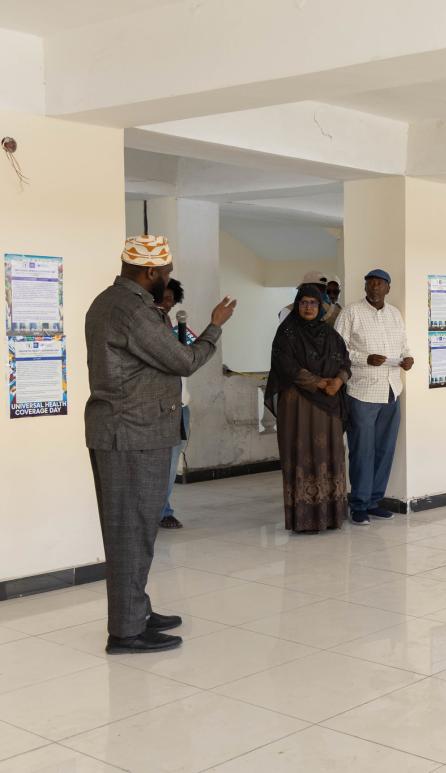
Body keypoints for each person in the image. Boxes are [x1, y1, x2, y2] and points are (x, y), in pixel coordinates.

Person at [86, 235, 235, 654]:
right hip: (132, 434)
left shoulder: (108, 302)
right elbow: (183, 360)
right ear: (150, 272)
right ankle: (126, 632)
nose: (167, 279)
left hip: (126, 431)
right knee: (130, 533)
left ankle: (137, 612)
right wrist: (215, 325)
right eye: (165, 273)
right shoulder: (134, 311)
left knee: (133, 531)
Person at [265, 285, 352, 533]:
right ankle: (303, 519)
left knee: (330, 456)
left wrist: (339, 380)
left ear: (320, 306)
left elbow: (345, 361)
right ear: (297, 304)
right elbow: (286, 365)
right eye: (303, 302)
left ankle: (331, 516)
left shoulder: (330, 335)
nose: (308, 307)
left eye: (313, 303)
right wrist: (318, 382)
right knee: (301, 455)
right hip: (298, 406)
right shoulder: (287, 333)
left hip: (329, 405)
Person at [334, 269, 414, 525]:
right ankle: (358, 504)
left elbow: (403, 344)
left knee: (384, 449)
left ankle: (374, 501)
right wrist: (364, 359)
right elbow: (338, 350)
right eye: (370, 283)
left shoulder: (394, 314)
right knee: (361, 451)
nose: (375, 287)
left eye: (380, 283)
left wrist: (408, 358)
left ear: (388, 288)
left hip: (392, 389)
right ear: (365, 287)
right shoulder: (351, 313)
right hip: (362, 391)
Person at [156, 278, 197, 530]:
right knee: (160, 463)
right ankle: (159, 511)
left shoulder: (177, 330)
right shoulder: (150, 330)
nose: (167, 304)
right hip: (160, 406)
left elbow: (188, 363)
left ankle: (163, 509)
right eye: (162, 298)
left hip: (180, 406)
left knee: (172, 463)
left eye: (171, 299)